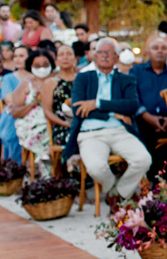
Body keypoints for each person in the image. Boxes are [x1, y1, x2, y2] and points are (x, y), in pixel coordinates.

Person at [64, 38, 150, 204]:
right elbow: (78, 110)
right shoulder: (83, 78)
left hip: (119, 131)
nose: (105, 56)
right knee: (96, 167)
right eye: (101, 52)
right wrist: (114, 111)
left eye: (109, 53)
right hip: (90, 133)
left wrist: (97, 104)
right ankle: (112, 189)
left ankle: (119, 194)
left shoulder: (126, 79)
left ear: (116, 58)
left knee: (143, 159)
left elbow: (132, 105)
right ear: (95, 56)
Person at [132, 36, 167, 180]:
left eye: (164, 48)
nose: (160, 51)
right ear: (147, 51)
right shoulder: (136, 71)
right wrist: (147, 117)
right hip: (143, 120)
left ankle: (166, 184)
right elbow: (132, 97)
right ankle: (149, 182)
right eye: (155, 48)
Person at [10, 48, 54, 170]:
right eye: (37, 65)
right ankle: (43, 161)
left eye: (45, 65)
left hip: (53, 120)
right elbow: (15, 112)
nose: (42, 68)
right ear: (31, 66)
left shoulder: (57, 82)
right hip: (32, 124)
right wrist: (33, 103)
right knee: (42, 128)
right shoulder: (25, 84)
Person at [42, 44, 79, 152]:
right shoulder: (50, 83)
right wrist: (66, 124)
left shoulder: (82, 80)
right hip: (62, 126)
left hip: (83, 124)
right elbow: (47, 112)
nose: (65, 57)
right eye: (61, 55)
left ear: (75, 59)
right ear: (56, 61)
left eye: (69, 54)